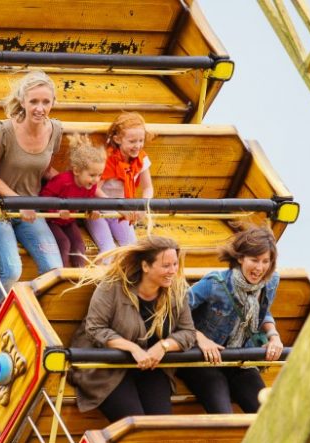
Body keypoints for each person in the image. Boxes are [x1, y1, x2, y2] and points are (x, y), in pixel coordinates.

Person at [69, 236, 196, 422]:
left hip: (151, 369)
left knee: (161, 426)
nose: (172, 271)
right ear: (145, 266)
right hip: (107, 368)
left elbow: (188, 332)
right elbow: (95, 328)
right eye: (166, 265)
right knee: (136, 424)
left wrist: (164, 345)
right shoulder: (112, 287)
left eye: (175, 264)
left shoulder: (176, 291)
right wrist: (132, 348)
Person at [0, 70, 63, 310]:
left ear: (53, 102)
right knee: (11, 271)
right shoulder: (3, 131)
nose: (40, 108)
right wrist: (19, 201)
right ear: (23, 101)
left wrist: (72, 190)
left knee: (53, 270)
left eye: (46, 102)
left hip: (30, 211)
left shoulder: (55, 130)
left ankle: (18, 313)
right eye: (34, 101)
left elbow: (45, 170)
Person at [178, 226, 283, 413]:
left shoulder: (270, 282)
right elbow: (175, 312)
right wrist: (201, 340)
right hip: (202, 360)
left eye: (266, 261)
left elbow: (262, 311)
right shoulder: (214, 283)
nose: (259, 268)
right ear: (240, 258)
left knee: (266, 413)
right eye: (254, 260)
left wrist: (273, 336)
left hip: (240, 359)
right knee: (223, 414)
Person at [86, 112, 155, 255]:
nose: (137, 146)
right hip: (98, 210)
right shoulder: (108, 159)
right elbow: (95, 189)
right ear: (117, 139)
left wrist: (144, 206)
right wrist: (119, 207)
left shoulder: (141, 159)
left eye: (141, 140)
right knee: (108, 249)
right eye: (132, 141)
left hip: (120, 211)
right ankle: (103, 270)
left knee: (131, 248)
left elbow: (148, 187)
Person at [41, 134, 108, 267]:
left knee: (79, 244)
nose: (96, 180)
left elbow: (88, 201)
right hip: (51, 220)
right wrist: (57, 211)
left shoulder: (90, 185)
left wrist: (92, 210)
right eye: (92, 175)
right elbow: (44, 197)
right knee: (64, 243)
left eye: (99, 175)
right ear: (76, 170)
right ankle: (61, 274)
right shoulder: (62, 181)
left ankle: (78, 273)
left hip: (68, 220)